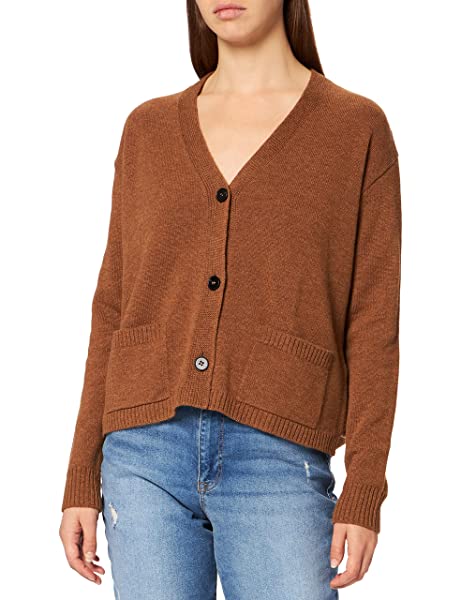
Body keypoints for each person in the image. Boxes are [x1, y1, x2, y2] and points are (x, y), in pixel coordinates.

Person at [59, 1, 402, 598]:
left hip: (280, 455)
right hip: (142, 453)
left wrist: (365, 485)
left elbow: (373, 321)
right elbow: (113, 304)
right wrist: (81, 475)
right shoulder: (147, 130)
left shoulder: (354, 129)